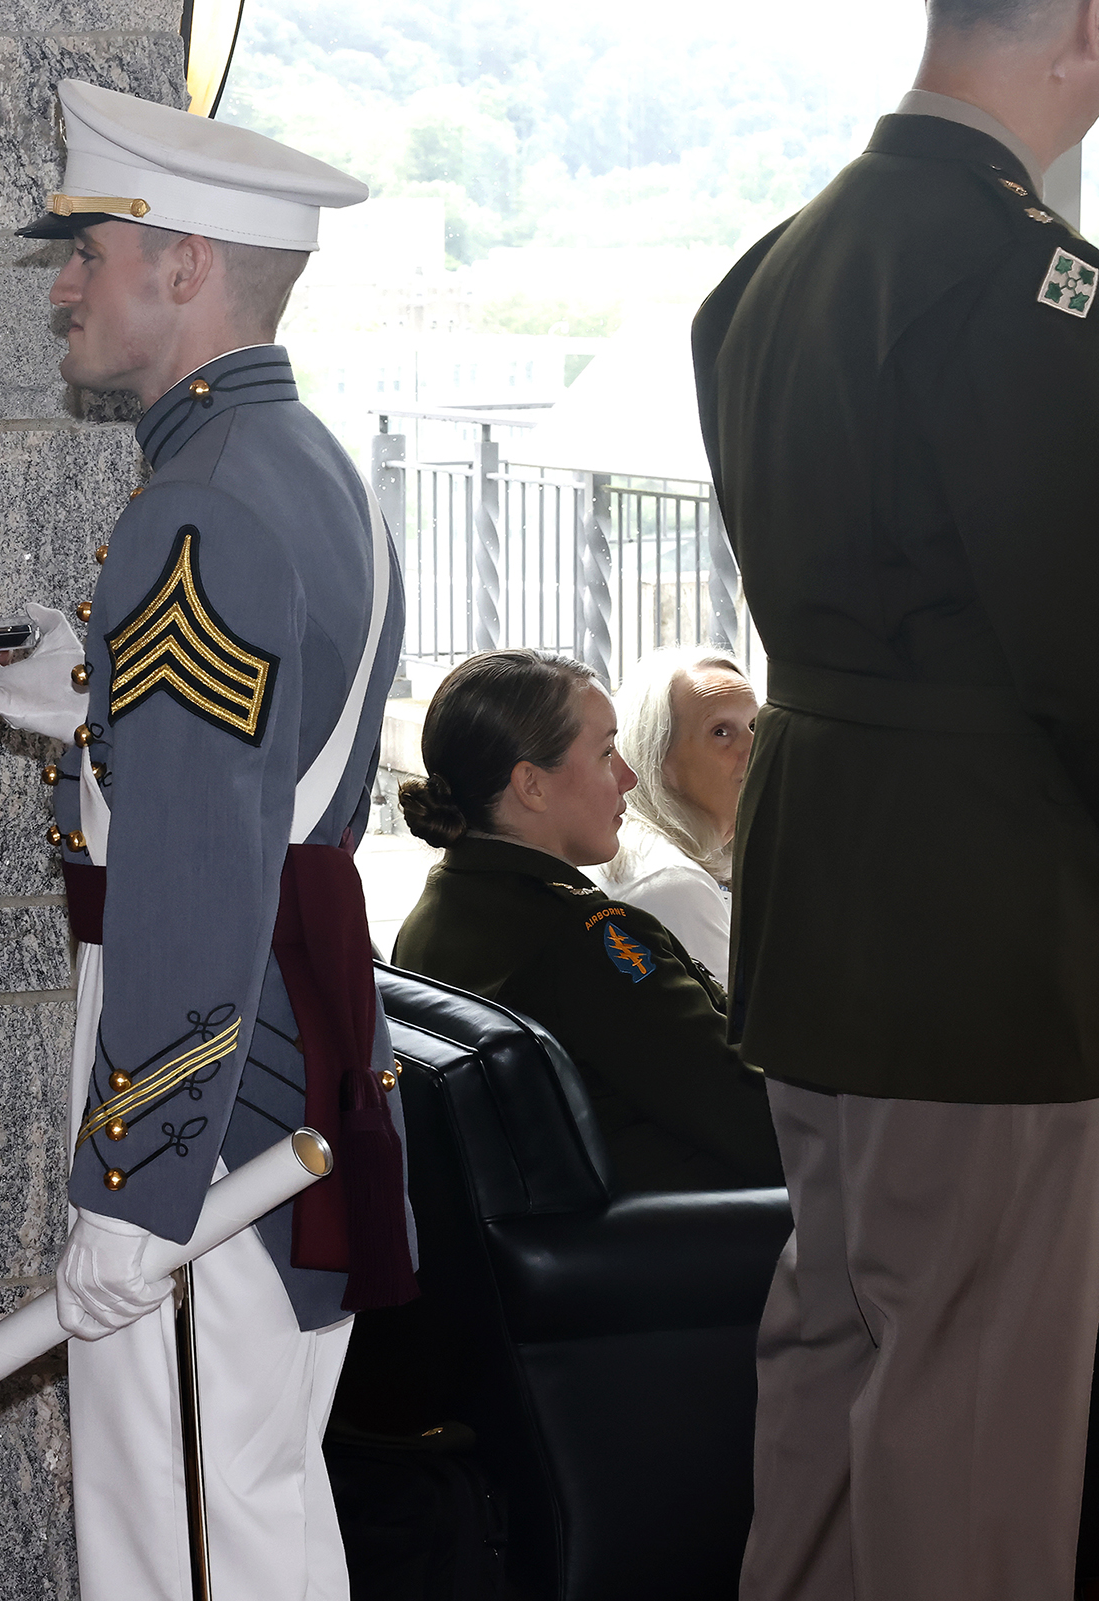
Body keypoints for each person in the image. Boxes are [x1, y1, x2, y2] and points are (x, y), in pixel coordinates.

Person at [0, 78, 410, 1600]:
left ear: (186, 265)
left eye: (92, 248)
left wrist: (137, 1188)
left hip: (211, 1077)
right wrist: (59, 680)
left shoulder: (200, 509)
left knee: (194, 1542)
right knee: (250, 1505)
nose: (65, 282)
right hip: (279, 1035)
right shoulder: (300, 463)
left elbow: (198, 873)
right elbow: (239, 745)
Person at [692, 0, 1099, 1589]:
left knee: (838, 1344)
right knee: (979, 1387)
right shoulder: (1023, 282)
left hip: (819, 876)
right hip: (984, 913)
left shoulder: (774, 267)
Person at [392, 650, 780, 1193]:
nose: (628, 777)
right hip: (683, 1243)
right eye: (606, 754)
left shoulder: (440, 909)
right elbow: (765, 1125)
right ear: (532, 785)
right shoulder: (587, 941)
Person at [591, 647, 758, 980]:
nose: (754, 748)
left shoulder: (649, 850)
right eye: (721, 732)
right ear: (659, 758)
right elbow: (739, 1029)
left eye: (756, 725)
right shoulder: (672, 884)